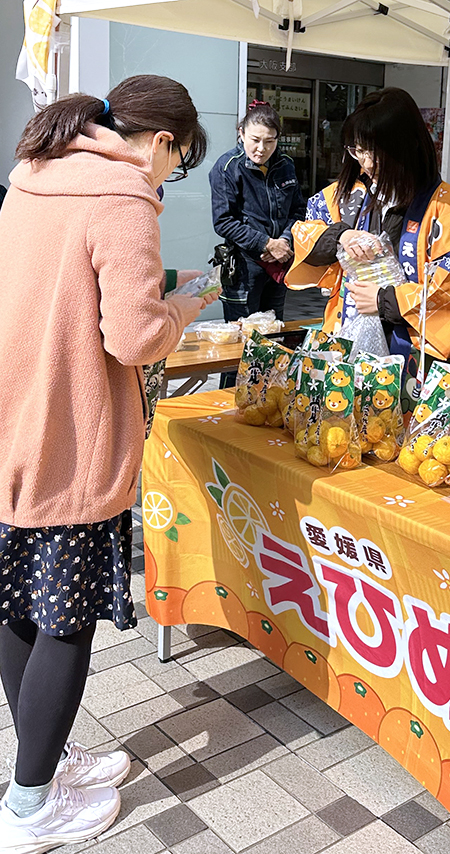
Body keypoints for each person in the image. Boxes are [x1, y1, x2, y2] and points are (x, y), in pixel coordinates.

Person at [0, 75, 217, 850]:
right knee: (65, 621)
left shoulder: (36, 171)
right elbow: (134, 338)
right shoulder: (123, 195)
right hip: (74, 438)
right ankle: (29, 807)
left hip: (13, 423)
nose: (169, 175)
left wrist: (159, 290)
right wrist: (187, 303)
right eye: (178, 161)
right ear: (161, 141)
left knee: (19, 605)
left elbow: (60, 293)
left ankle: (45, 758)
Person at [286, 87, 450, 387]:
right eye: (358, 150)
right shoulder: (347, 197)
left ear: (407, 148)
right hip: (349, 346)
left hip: (418, 366)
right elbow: (305, 232)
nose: (366, 163)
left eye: (376, 153)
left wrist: (383, 300)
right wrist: (340, 236)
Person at [210, 100, 306, 325]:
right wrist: (266, 243)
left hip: (280, 261)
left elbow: (299, 210)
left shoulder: (286, 165)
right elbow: (223, 221)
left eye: (269, 141)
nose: (261, 148)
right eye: (255, 140)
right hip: (243, 268)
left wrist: (284, 241)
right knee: (243, 335)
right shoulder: (227, 167)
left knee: (274, 331)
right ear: (241, 133)